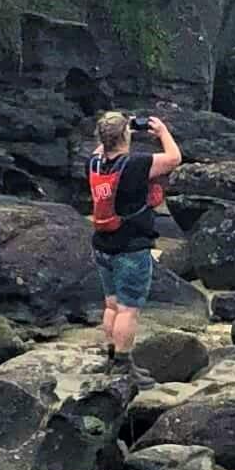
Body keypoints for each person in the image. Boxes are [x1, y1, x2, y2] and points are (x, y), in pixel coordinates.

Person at [86, 106, 182, 355]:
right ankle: (122, 363)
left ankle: (110, 354)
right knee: (128, 310)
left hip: (102, 244)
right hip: (131, 247)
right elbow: (174, 158)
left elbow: (102, 149)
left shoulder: (94, 164)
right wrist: (161, 131)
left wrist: (118, 130)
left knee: (111, 306)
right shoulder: (136, 164)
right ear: (125, 136)